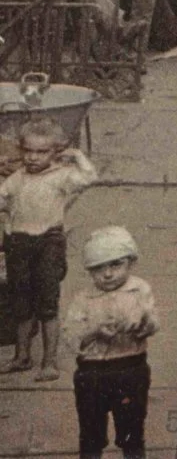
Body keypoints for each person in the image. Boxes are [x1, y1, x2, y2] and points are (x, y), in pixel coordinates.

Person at [3, 116, 97, 376]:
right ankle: (22, 356)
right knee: (21, 302)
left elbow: (89, 177)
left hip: (48, 242)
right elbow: (2, 199)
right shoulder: (17, 178)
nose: (33, 157)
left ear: (56, 152)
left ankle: (49, 362)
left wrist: (77, 156)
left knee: (47, 303)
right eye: (28, 151)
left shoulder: (62, 176)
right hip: (18, 243)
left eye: (42, 152)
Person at [64, 226, 155, 459]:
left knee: (132, 432)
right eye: (98, 268)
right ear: (89, 270)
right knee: (91, 433)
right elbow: (70, 335)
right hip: (92, 373)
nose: (107, 274)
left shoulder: (139, 290)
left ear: (130, 262)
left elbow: (152, 322)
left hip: (131, 368)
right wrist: (94, 331)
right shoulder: (83, 298)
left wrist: (142, 325)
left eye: (116, 265)